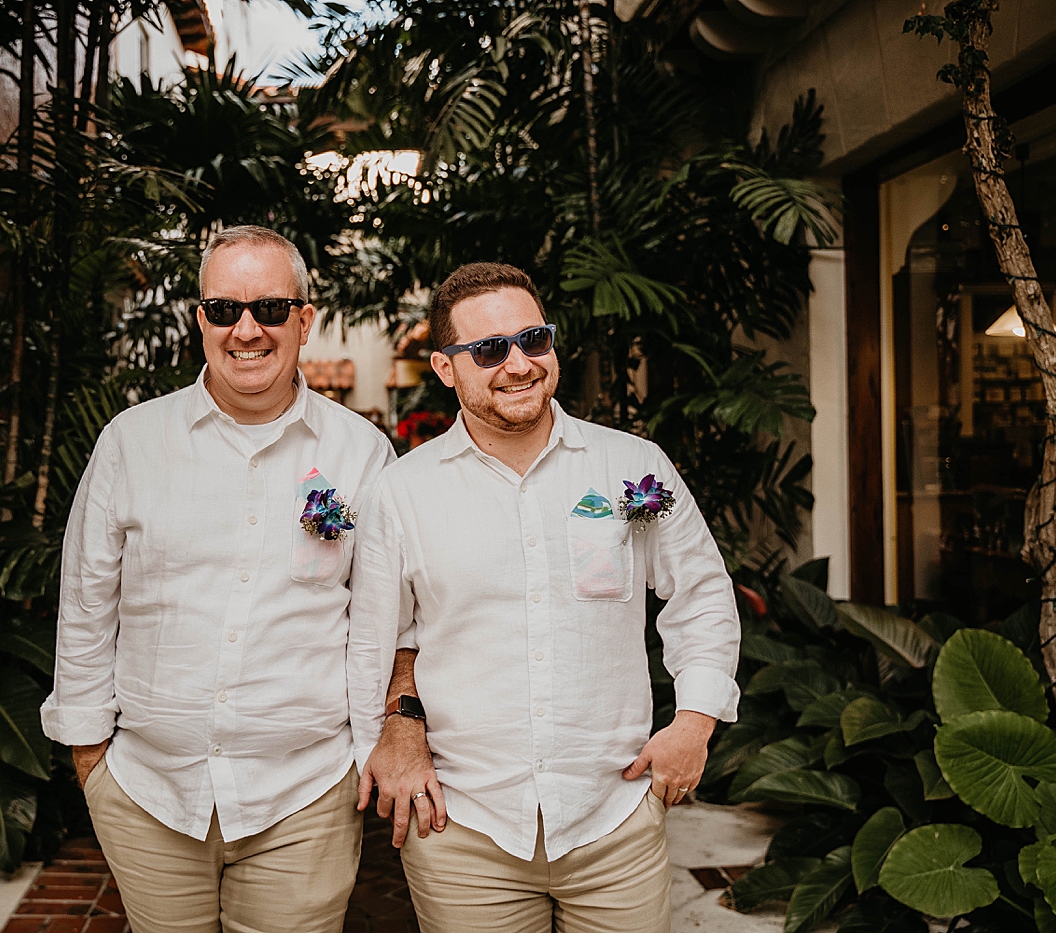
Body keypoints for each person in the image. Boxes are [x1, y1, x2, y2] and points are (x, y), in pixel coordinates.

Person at [350, 262, 741, 933]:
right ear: (446, 368)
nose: (519, 363)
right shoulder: (403, 492)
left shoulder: (632, 467)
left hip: (613, 816)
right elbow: (378, 638)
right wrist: (390, 736)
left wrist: (695, 720)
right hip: (463, 828)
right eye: (490, 349)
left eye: (533, 338)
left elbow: (701, 594)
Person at [41, 225, 394, 933]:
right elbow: (87, 605)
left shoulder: (362, 453)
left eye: (268, 308)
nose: (247, 330)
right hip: (148, 794)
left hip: (305, 795)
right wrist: (92, 762)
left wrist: (365, 753)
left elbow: (378, 623)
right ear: (199, 319)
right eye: (224, 309)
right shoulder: (131, 442)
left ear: (304, 319)